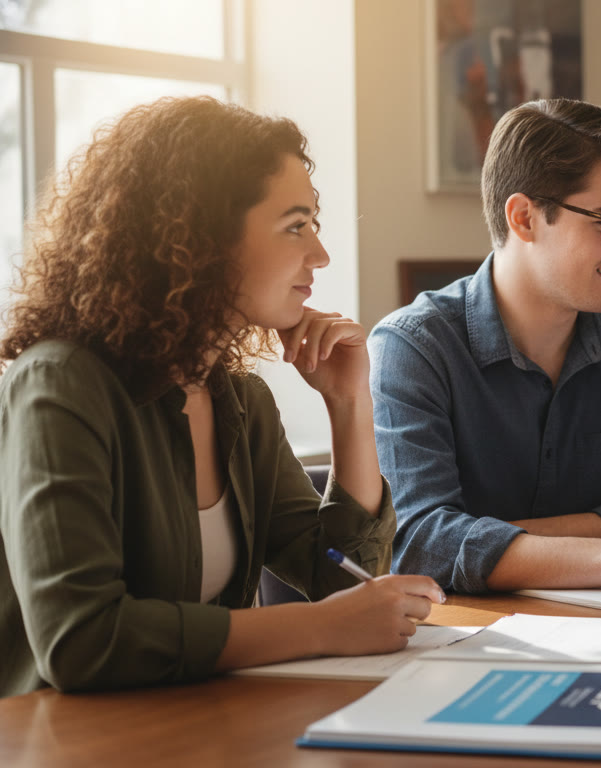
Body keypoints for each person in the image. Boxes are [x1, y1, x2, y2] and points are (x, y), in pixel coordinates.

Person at [0, 96, 444, 698]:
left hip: (198, 725)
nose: (320, 255)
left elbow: (337, 577)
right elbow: (82, 640)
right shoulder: (59, 385)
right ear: (199, 238)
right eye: (295, 226)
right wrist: (319, 627)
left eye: (314, 224)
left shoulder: (239, 400)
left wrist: (349, 404)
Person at [370, 98, 601, 595]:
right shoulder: (413, 348)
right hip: (468, 639)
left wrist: (501, 540)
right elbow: (421, 543)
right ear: (524, 218)